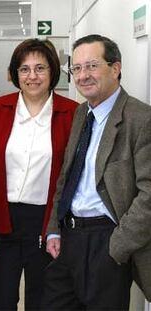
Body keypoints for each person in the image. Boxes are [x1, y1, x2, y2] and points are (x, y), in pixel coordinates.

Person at [43, 34, 151, 309]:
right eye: (76, 68)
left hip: (106, 241)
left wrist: (117, 246)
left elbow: (149, 194)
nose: (82, 76)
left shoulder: (141, 119)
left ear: (115, 68)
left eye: (91, 66)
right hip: (69, 238)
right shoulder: (82, 114)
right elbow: (67, 177)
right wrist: (55, 228)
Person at [0, 38, 78, 310]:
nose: (32, 76)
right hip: (0, 221)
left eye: (40, 68)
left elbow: (74, 177)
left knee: (45, 301)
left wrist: (58, 228)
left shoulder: (72, 113)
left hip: (46, 223)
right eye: (24, 69)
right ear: (14, 74)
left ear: (53, 72)